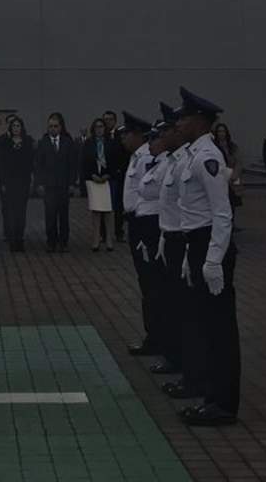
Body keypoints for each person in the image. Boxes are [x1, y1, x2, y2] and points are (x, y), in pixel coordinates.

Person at [174, 88, 239, 426]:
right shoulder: (192, 154)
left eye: (184, 117)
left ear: (199, 121)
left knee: (220, 329)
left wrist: (213, 259)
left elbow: (222, 213)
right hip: (198, 244)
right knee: (207, 327)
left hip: (212, 246)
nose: (179, 122)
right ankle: (212, 398)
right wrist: (191, 254)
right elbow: (193, 214)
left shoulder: (207, 157)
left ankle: (224, 404)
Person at [153, 101, 196, 398]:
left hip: (188, 241)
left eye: (170, 128)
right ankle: (184, 367)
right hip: (173, 238)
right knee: (177, 307)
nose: (170, 132)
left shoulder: (195, 160)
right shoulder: (175, 160)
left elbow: (217, 211)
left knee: (191, 313)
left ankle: (193, 374)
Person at [117, 111, 158, 355]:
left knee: (151, 284)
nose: (123, 138)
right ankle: (152, 335)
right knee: (146, 284)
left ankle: (156, 337)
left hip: (145, 223)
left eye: (127, 134)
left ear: (138, 136)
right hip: (136, 222)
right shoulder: (137, 157)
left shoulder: (146, 158)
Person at [33, 113, 78, 252]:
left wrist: (72, 183)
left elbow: (72, 164)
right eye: (50, 126)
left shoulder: (67, 142)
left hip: (64, 185)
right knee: (50, 215)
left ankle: (63, 242)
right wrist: (39, 183)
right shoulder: (43, 143)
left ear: (61, 127)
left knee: (63, 215)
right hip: (49, 185)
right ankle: (51, 241)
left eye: (55, 126)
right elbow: (38, 165)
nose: (53, 129)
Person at [0, 115, 34, 250]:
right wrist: (4, 182)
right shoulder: (4, 142)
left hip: (23, 181)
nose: (16, 128)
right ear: (10, 127)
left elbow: (31, 162)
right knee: (10, 211)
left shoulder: (28, 141)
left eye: (18, 125)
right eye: (14, 126)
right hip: (9, 181)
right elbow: (1, 162)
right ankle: (12, 239)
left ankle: (20, 238)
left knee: (21, 212)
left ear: (22, 127)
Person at [81, 117, 116, 251]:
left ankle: (109, 240)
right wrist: (92, 175)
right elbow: (84, 162)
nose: (99, 129)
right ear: (93, 129)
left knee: (108, 210)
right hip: (93, 179)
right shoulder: (88, 143)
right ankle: (95, 239)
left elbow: (114, 161)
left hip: (107, 179)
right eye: (96, 127)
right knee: (96, 211)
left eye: (101, 126)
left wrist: (108, 175)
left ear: (105, 128)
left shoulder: (110, 143)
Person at [102, 109, 128, 240]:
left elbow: (126, 155)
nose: (108, 122)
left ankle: (118, 232)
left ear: (115, 121)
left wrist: (121, 170)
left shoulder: (121, 135)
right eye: (105, 119)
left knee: (118, 206)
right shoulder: (100, 136)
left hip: (118, 175)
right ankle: (103, 234)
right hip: (104, 177)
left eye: (110, 119)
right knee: (103, 206)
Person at [212, 123, 242, 215]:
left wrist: (235, 174)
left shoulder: (232, 146)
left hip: (232, 175)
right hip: (219, 176)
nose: (221, 133)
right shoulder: (213, 146)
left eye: (223, 131)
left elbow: (238, 161)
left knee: (232, 200)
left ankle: (232, 223)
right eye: (219, 131)